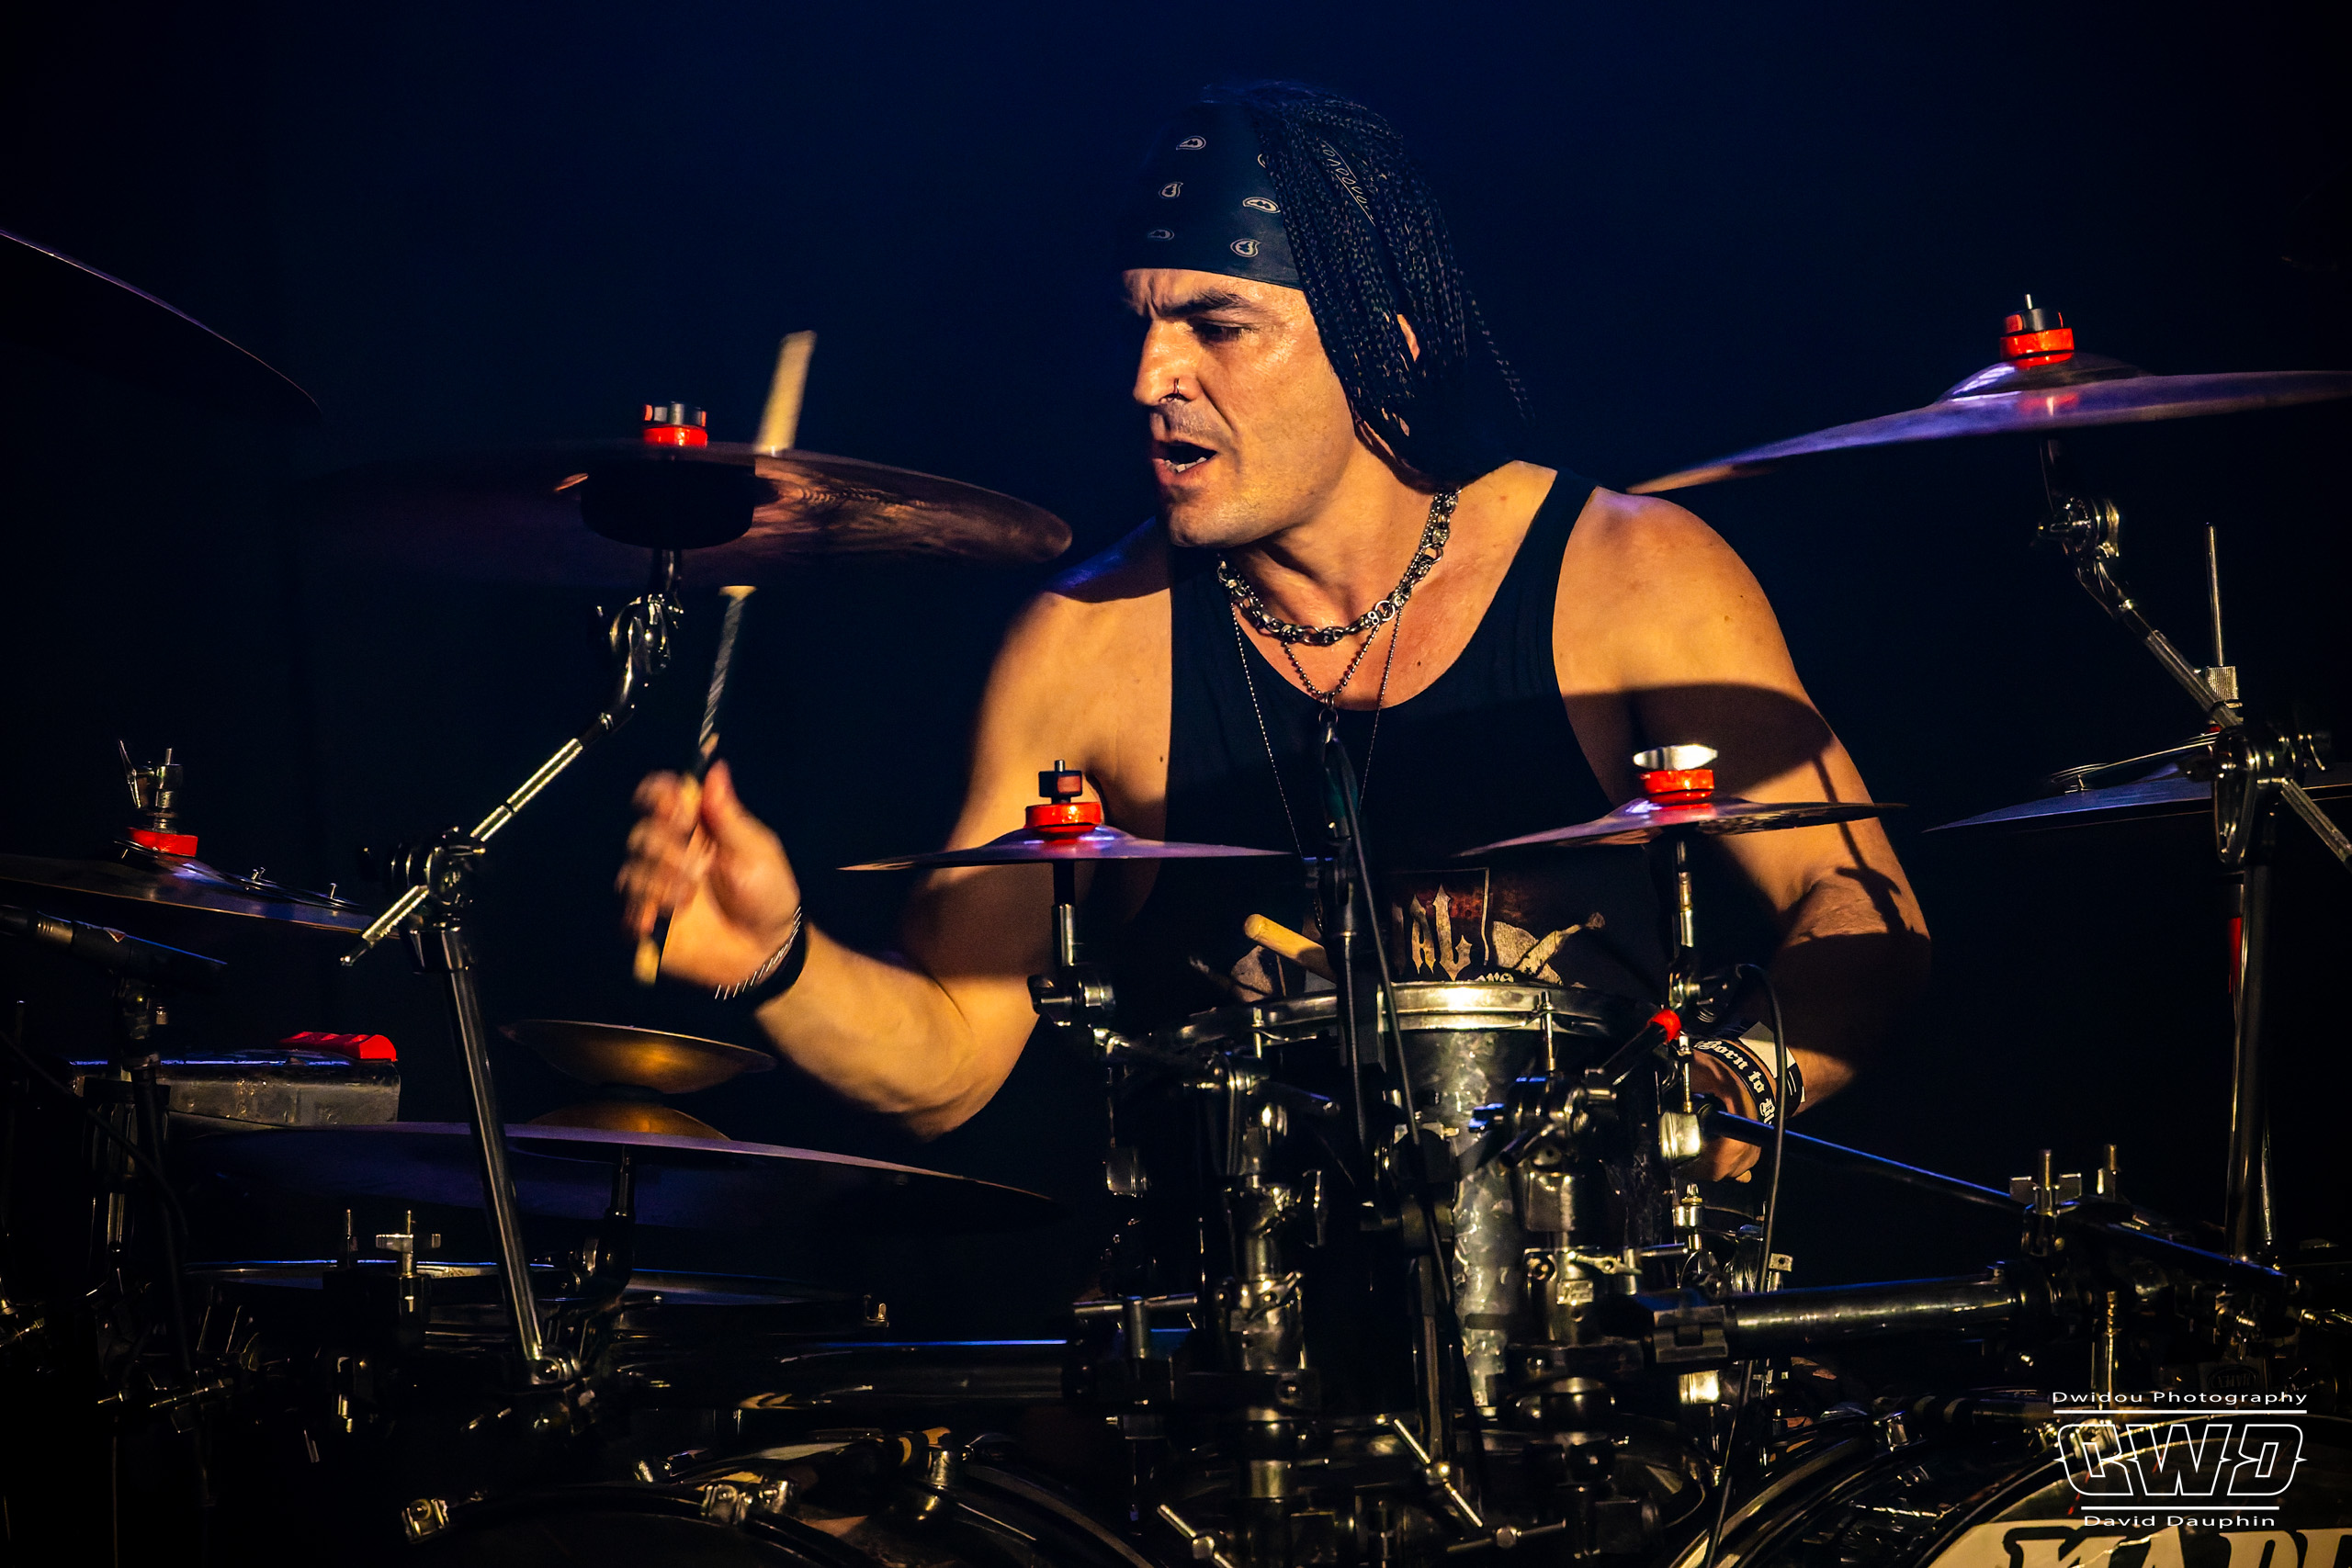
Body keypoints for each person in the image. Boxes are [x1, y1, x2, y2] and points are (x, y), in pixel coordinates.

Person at [616, 84, 1929, 1181]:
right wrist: (776, 964)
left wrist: (1724, 1089)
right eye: (1140, 325)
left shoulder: (1629, 576)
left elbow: (1860, 914)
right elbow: (955, 1058)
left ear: (1383, 351)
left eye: (1217, 326)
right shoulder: (1085, 648)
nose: (1151, 379)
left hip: (1598, 1332)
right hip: (1254, 1368)